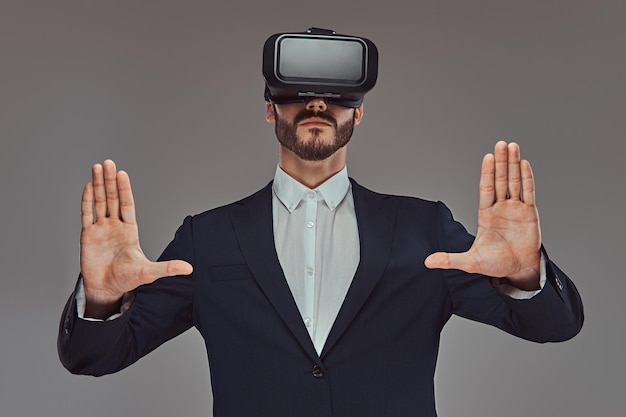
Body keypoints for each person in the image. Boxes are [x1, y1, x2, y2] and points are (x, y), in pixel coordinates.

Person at [58, 29, 584, 417]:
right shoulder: (208, 238)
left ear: (359, 113)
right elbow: (94, 358)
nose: (317, 102)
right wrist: (101, 300)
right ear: (270, 109)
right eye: (298, 91)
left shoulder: (425, 231)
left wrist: (524, 275)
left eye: (337, 94)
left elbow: (554, 328)